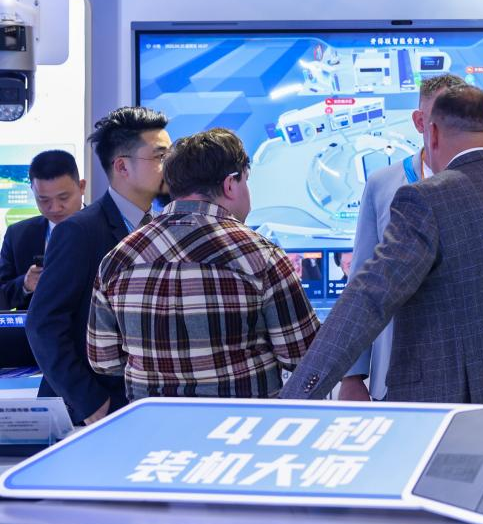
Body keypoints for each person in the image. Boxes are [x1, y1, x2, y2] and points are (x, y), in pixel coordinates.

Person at [282, 85, 483, 403]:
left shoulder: (425, 200)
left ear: (432, 134)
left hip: (448, 410)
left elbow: (370, 297)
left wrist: (298, 395)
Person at [88, 128, 319, 400]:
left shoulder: (118, 259)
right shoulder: (261, 256)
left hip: (151, 423)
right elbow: (304, 355)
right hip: (242, 422)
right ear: (230, 184)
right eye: (246, 180)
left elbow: (104, 361)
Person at [26, 107, 170, 424]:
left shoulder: (160, 226)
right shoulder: (79, 231)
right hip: (92, 413)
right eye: (160, 156)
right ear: (122, 166)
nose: (170, 165)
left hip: (143, 407)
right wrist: (93, 405)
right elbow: (43, 325)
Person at [340, 72, 464, 402]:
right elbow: (362, 281)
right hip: (396, 370)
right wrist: (352, 375)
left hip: (471, 373)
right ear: (420, 121)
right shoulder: (383, 184)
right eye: (441, 116)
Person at [0, 150, 85, 310]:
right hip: (34, 325)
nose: (55, 208)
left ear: (81, 187)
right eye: (44, 200)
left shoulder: (106, 228)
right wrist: (25, 284)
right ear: (32, 191)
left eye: (63, 198)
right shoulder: (17, 235)